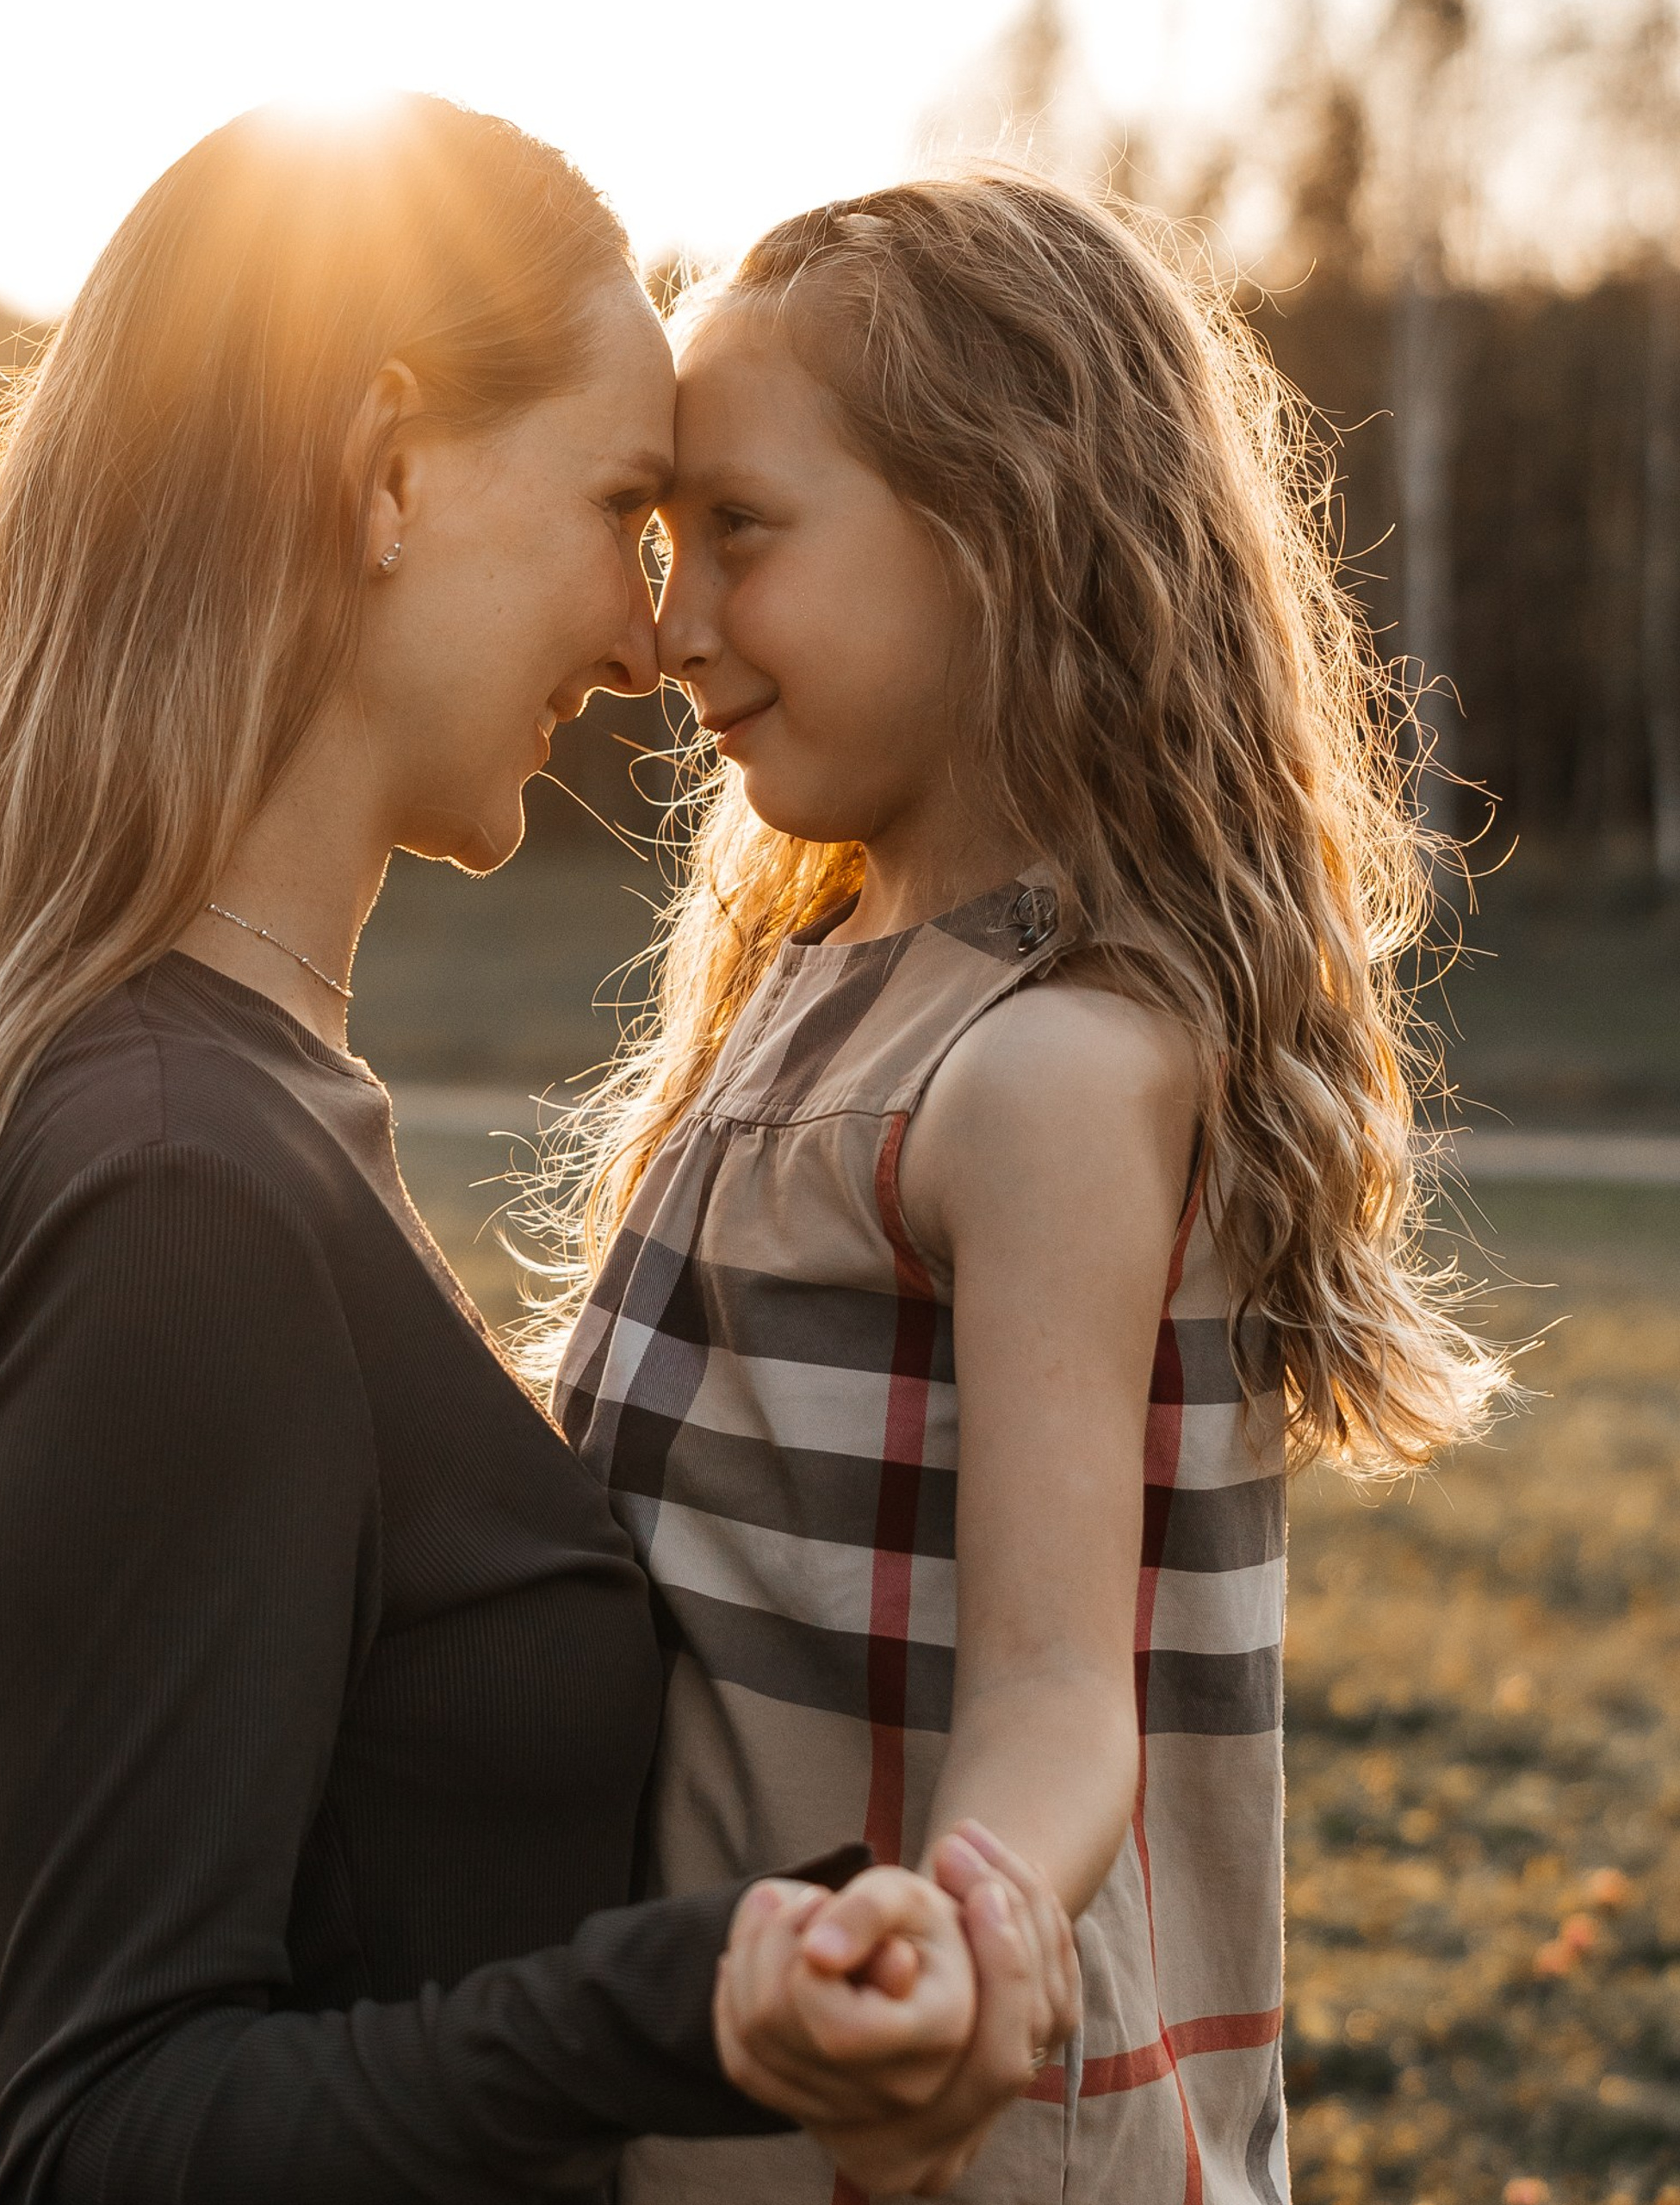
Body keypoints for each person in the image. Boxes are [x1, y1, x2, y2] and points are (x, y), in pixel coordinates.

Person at [0, 101, 1074, 2205]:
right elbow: (114, 2125)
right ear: (387, 469)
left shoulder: (232, 1099)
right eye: (619, 506)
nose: (643, 633)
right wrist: (681, 2007)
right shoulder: (173, 1182)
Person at [544, 169, 1510, 2203]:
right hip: (726, 2102)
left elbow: (1063, 1687)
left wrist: (968, 1921)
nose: (664, 625)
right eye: (654, 540)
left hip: (943, 2134)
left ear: (1000, 529)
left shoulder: (1050, 1067)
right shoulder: (812, 994)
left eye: (738, 531)